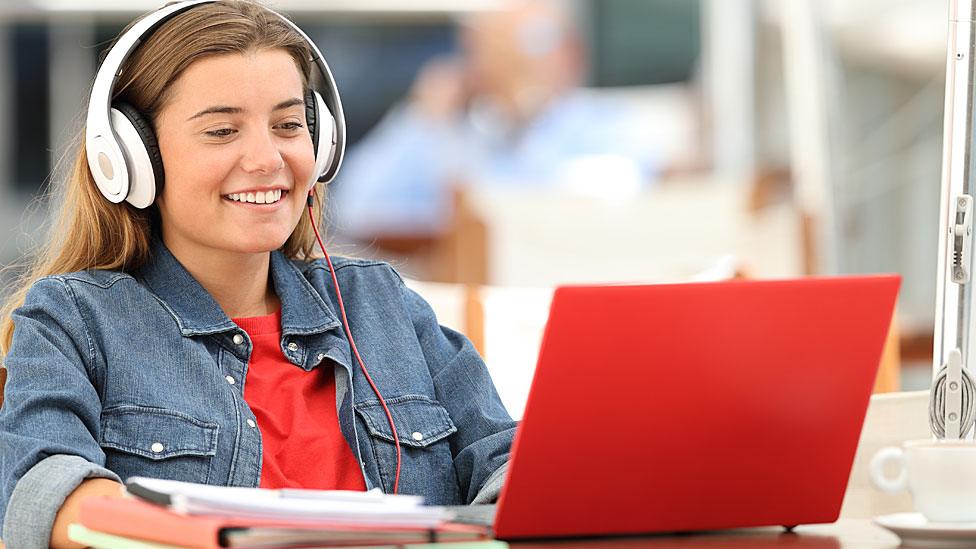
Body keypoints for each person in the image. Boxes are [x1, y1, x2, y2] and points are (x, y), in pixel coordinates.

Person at [0, 2, 515, 548]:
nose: (268, 158)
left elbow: (509, 465)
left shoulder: (381, 303)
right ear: (132, 156)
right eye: (222, 130)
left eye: (288, 125)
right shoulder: (73, 320)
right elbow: (48, 495)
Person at [330, 0, 660, 240]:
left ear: (570, 54)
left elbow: (589, 206)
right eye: (488, 50)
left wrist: (527, 117)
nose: (504, 64)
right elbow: (355, 208)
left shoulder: (608, 125)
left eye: (523, 46)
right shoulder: (458, 136)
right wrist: (423, 118)